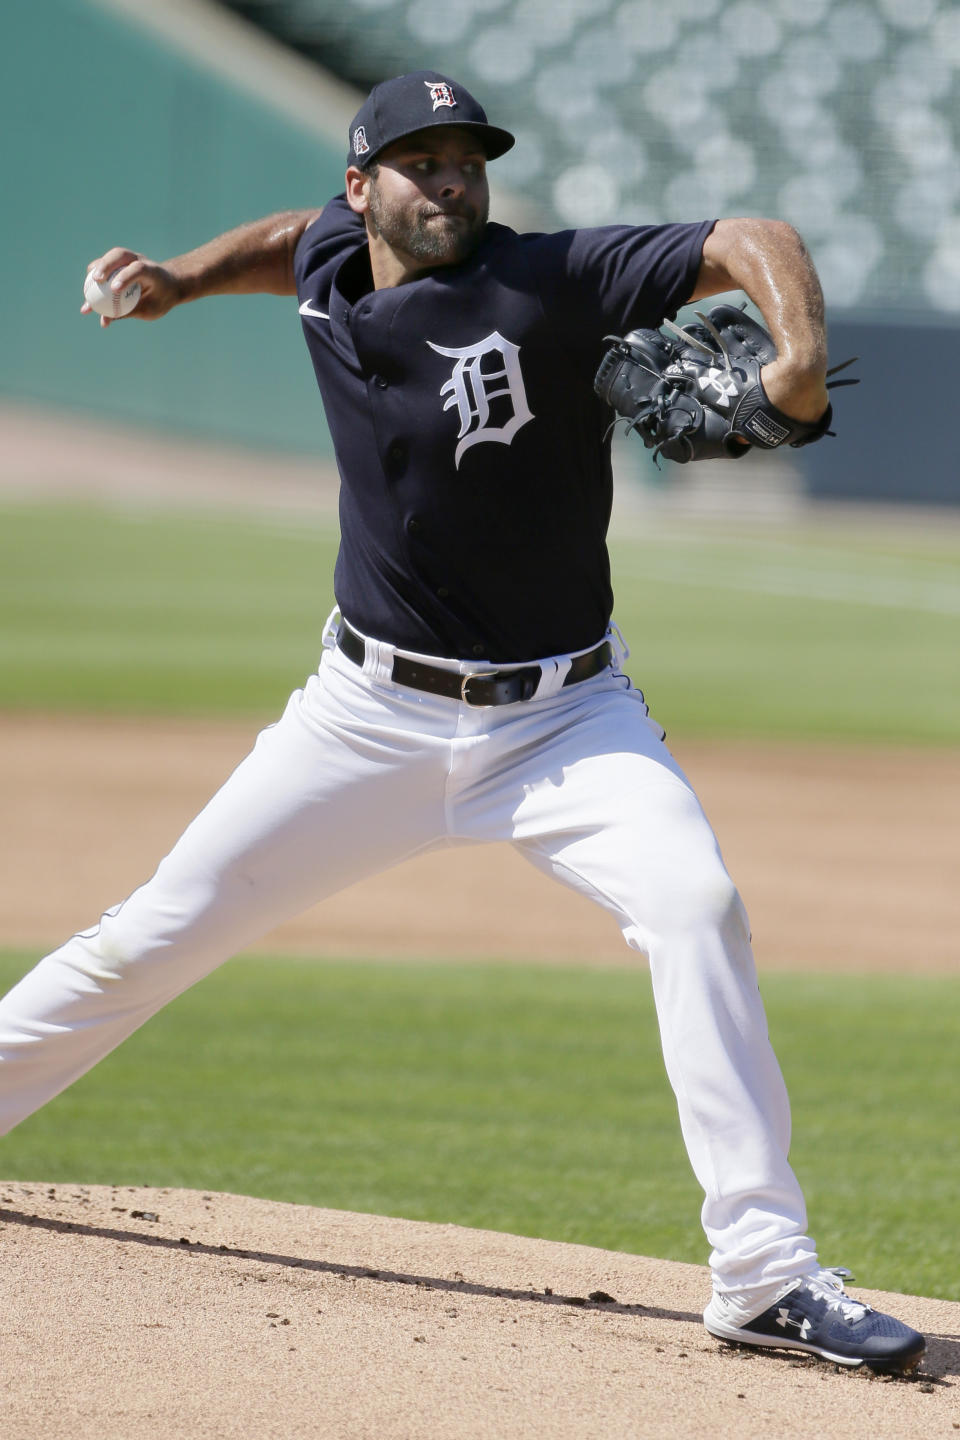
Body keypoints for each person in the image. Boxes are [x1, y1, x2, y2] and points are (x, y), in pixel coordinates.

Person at [1, 70, 923, 1374]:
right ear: (363, 186)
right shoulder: (331, 252)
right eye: (419, 160)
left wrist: (798, 354)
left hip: (567, 722)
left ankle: (764, 1274)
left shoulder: (553, 277)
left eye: (466, 159)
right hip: (362, 719)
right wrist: (178, 281)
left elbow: (752, 240)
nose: (449, 179)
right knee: (151, 934)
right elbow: (285, 242)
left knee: (697, 907)